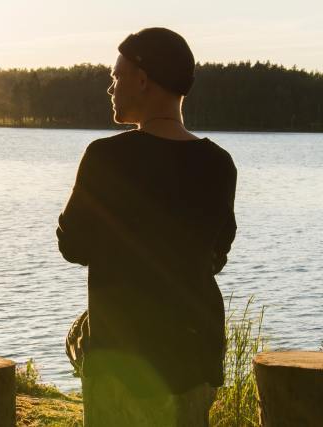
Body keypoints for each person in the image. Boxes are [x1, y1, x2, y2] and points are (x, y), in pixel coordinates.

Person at [57, 27, 237, 425]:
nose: (111, 88)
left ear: (142, 79)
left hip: (124, 358)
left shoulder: (106, 158)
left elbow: (73, 246)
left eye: (116, 77)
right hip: (196, 353)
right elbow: (215, 256)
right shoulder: (219, 163)